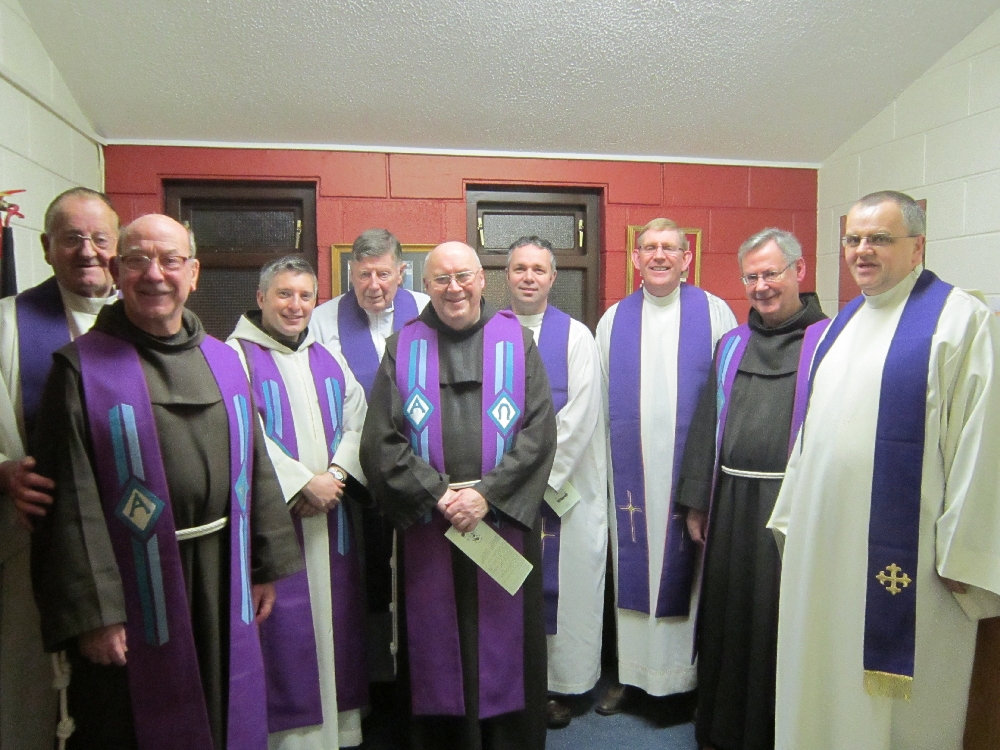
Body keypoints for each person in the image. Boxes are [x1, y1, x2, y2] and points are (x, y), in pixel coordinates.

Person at [30, 214, 302, 750]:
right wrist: (96, 614)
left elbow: (255, 467)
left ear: (193, 274)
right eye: (137, 260)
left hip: (223, 573)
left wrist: (264, 565)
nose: (155, 274)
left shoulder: (225, 361)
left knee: (225, 707)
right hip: (134, 588)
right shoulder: (81, 370)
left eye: (170, 261)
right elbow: (71, 505)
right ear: (116, 271)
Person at [768, 191, 1000, 750]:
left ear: (918, 247)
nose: (862, 250)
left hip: (908, 562)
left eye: (879, 238)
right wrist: (793, 518)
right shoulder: (841, 324)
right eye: (853, 239)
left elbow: (982, 441)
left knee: (895, 714)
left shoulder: (959, 322)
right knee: (820, 684)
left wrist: (963, 550)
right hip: (824, 551)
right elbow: (811, 439)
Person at [360, 241, 556, 750]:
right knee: (435, 640)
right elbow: (380, 441)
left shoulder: (517, 341)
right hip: (432, 523)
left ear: (482, 279)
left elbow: (539, 434)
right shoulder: (403, 347)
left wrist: (487, 496)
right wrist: (437, 495)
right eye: (442, 279)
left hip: (501, 522)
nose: (454, 288)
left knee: (505, 638)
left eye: (463, 276)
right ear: (425, 285)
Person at [675, 228, 827, 750]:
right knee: (728, 616)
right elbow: (706, 423)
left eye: (771, 273)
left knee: (776, 620)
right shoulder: (732, 344)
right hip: (730, 502)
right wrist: (697, 501)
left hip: (792, 507)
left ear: (799, 271)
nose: (761, 286)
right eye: (751, 277)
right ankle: (722, 729)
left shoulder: (829, 342)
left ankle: (773, 732)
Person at [595, 218, 736, 714]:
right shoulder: (613, 320)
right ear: (635, 258)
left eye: (669, 248)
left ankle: (686, 679)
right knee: (631, 567)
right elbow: (599, 404)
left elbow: (726, 396)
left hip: (688, 472)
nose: (659, 255)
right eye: (649, 247)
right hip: (629, 475)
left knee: (687, 575)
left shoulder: (713, 312)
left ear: (686, 258)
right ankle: (632, 675)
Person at [229, 255, 370, 749]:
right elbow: (243, 433)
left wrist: (334, 476)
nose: (295, 305)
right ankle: (293, 738)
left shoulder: (327, 358)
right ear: (261, 298)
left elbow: (359, 422)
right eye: (284, 294)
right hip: (278, 520)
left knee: (337, 623)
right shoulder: (235, 357)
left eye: (305, 295)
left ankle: (340, 729)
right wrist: (299, 484)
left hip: (332, 516)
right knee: (284, 628)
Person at [0, 187, 119, 750]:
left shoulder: (149, 322)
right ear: (46, 247)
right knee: (34, 688)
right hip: (35, 540)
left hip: (129, 542)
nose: (87, 251)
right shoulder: (8, 324)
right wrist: (3, 472)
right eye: (71, 239)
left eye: (100, 238)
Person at [311, 228, 429, 680]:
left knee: (419, 573)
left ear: (402, 272)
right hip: (353, 474)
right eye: (363, 275)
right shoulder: (323, 319)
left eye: (383, 274)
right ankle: (372, 675)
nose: (373, 285)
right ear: (351, 274)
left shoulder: (427, 310)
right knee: (363, 574)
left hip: (420, 467)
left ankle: (417, 674)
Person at [504, 236, 607, 729]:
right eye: (520, 268)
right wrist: (506, 479)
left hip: (561, 491)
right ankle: (513, 683)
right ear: (506, 275)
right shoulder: (489, 334)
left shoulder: (577, 337)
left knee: (568, 590)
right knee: (506, 584)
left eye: (538, 269)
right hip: (504, 490)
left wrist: (531, 477)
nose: (529, 277)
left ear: (553, 277)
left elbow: (582, 413)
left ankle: (562, 685)